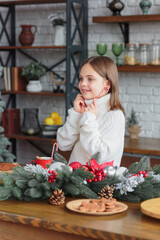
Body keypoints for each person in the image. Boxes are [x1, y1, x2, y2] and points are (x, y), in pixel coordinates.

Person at [57, 56, 125, 167]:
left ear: (107, 85)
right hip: (73, 181)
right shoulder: (82, 109)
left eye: (90, 79)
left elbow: (100, 157)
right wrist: (76, 114)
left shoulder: (115, 115)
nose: (83, 83)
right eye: (81, 78)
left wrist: (88, 120)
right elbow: (63, 144)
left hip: (99, 183)